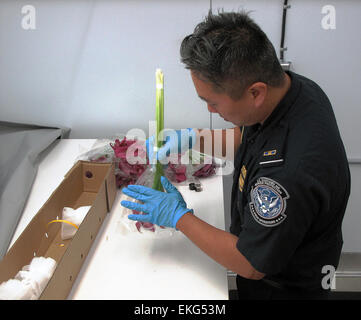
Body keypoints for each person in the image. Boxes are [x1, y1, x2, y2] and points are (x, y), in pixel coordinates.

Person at [120, 11, 351, 300]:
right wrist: (194, 138)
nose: (210, 111)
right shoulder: (295, 90)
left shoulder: (288, 175)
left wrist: (179, 218)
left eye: (212, 102)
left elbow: (251, 263)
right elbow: (250, 138)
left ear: (255, 92)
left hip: (284, 289)